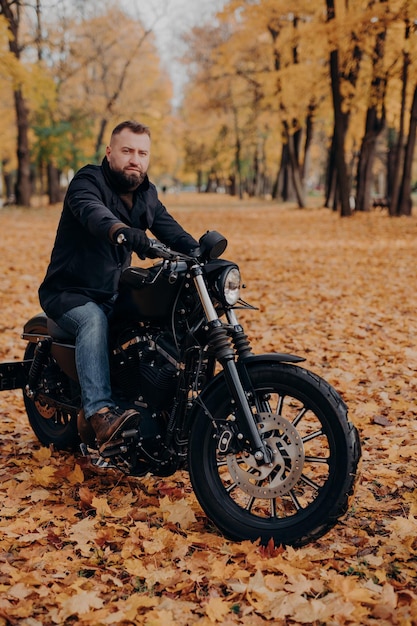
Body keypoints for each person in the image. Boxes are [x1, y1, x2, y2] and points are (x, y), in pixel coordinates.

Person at [39, 120, 199, 452]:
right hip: (70, 293)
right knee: (93, 319)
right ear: (110, 152)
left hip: (113, 293)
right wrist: (122, 231)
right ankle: (99, 414)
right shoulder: (87, 180)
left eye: (142, 153)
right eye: (127, 151)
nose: (134, 160)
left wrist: (201, 254)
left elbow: (172, 232)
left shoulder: (147, 195)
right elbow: (93, 214)